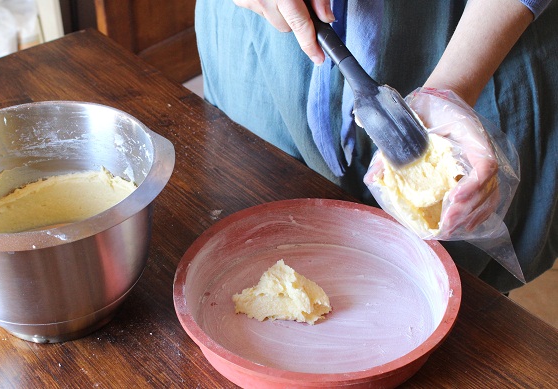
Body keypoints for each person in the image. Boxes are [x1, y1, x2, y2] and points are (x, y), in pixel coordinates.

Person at [194, 0, 557, 293]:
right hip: (262, 39)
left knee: (458, 295)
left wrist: (454, 85)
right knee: (253, 244)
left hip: (476, 33)